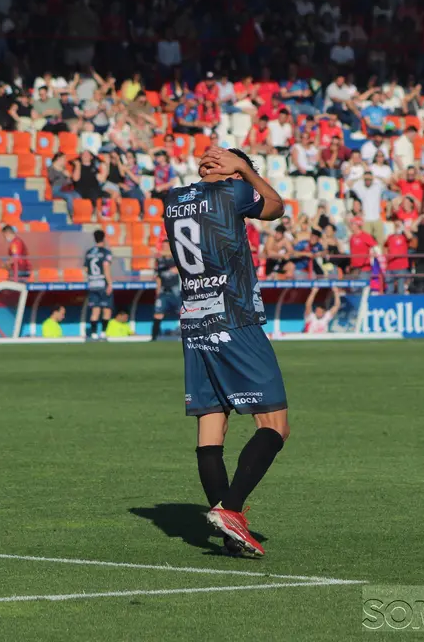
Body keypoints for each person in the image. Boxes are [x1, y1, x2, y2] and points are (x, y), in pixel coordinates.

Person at [164, 146, 288, 557]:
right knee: (274, 425)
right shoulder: (233, 193)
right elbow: (275, 208)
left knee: (210, 429)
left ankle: (228, 535)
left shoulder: (174, 201)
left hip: (195, 322)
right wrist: (247, 172)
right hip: (234, 319)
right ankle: (231, 511)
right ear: (232, 172)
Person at [84, 229, 114, 340]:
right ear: (104, 238)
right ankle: (103, 332)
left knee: (95, 310)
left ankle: (93, 333)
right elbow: (106, 267)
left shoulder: (89, 252)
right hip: (102, 283)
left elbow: (86, 268)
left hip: (92, 283)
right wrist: (110, 283)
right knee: (107, 309)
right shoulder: (106, 252)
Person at [152, 246, 181, 341]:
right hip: (164, 291)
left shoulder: (176, 259)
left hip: (175, 290)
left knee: (183, 313)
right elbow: (158, 278)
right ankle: (154, 337)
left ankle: (188, 335)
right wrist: (157, 291)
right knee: (158, 314)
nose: (164, 249)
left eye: (166, 246)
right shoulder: (160, 262)